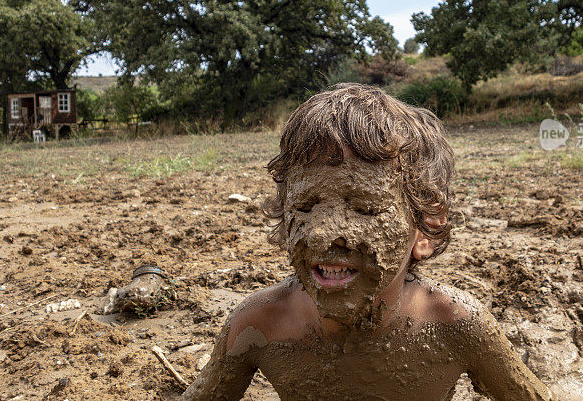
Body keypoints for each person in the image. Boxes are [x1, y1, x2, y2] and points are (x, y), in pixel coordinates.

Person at [182, 83, 553, 400]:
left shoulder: (456, 324)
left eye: (365, 208)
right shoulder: (259, 324)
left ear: (425, 228)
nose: (322, 233)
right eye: (306, 207)